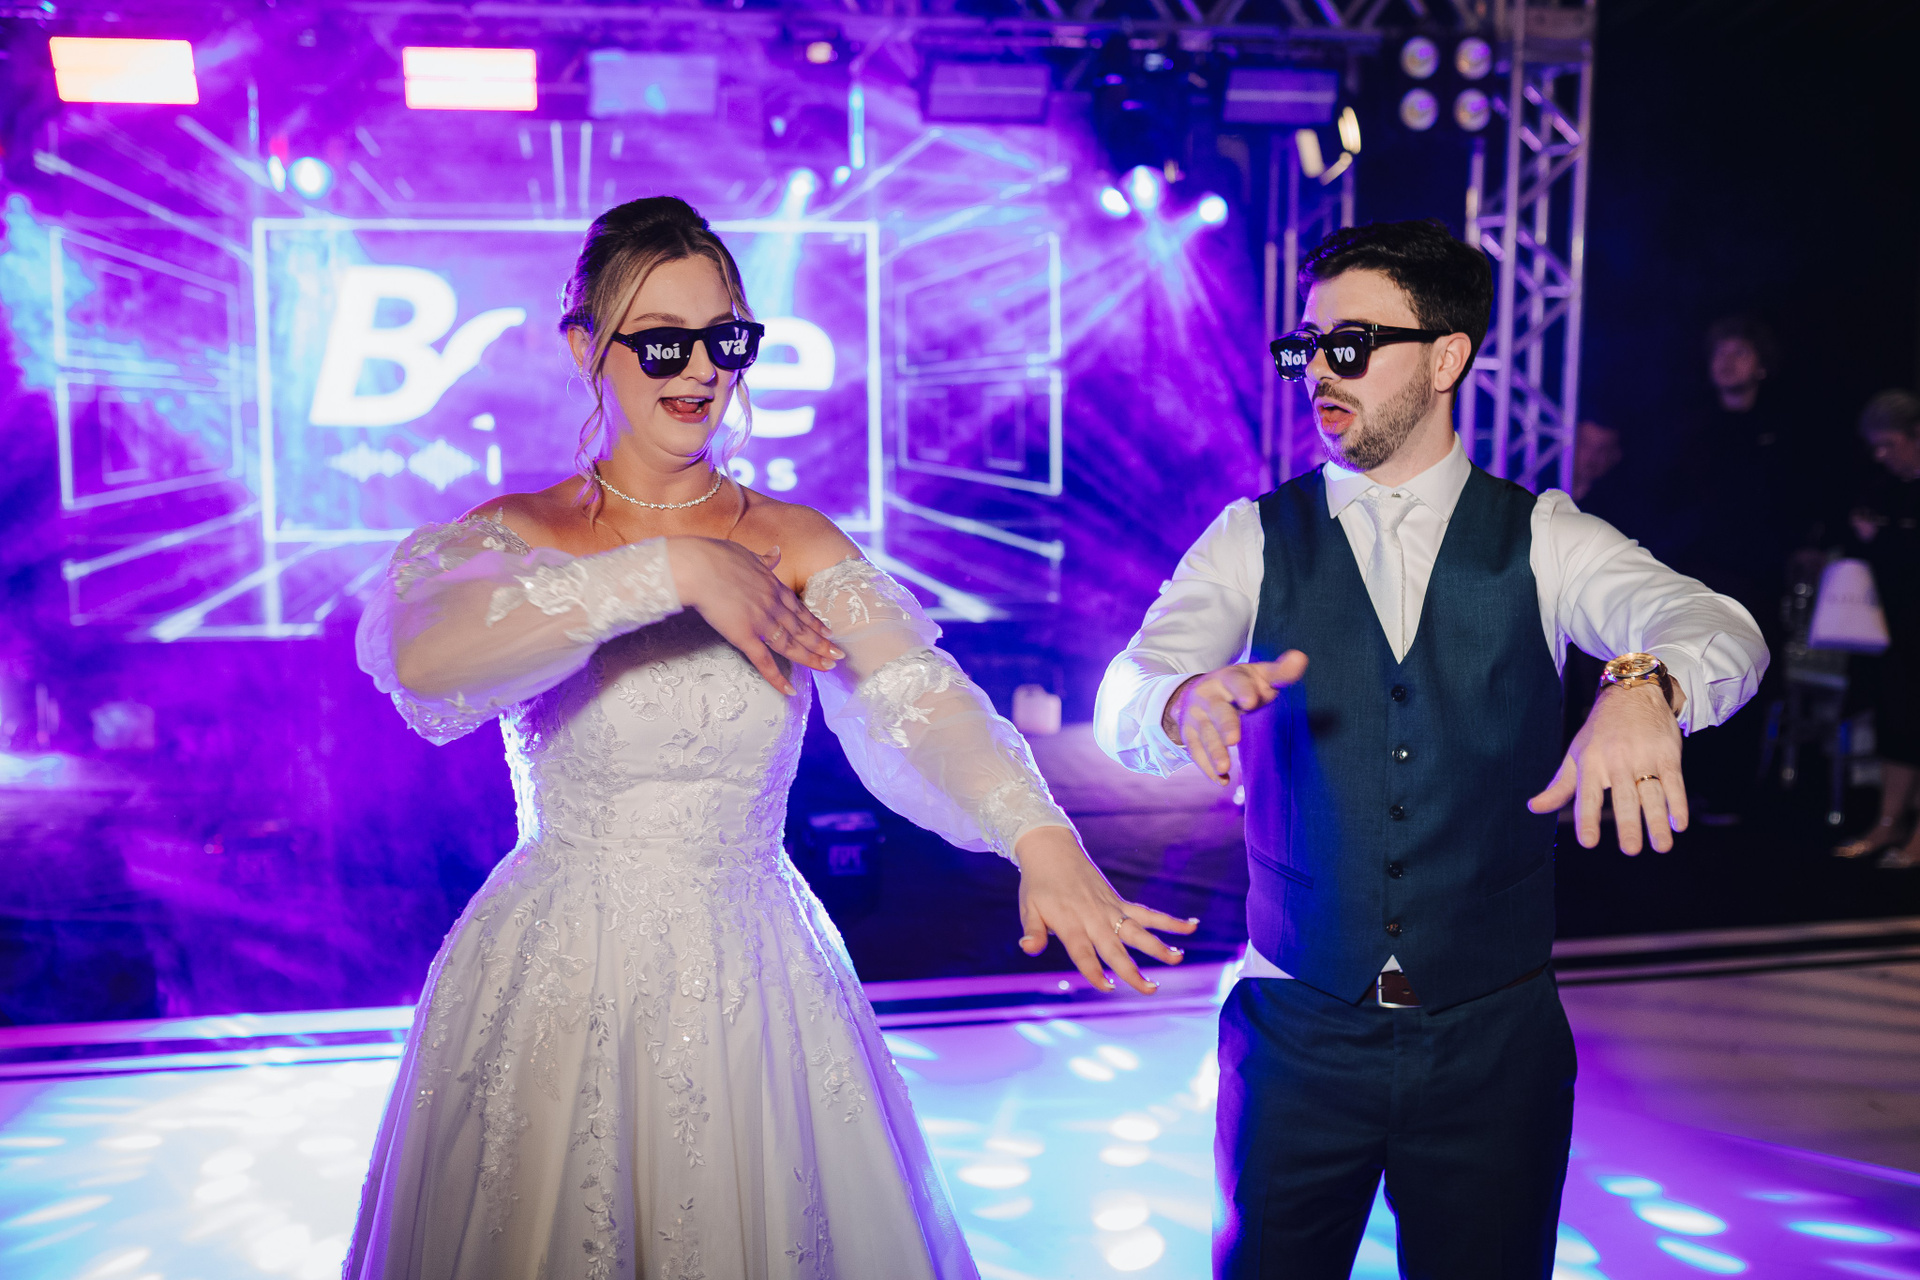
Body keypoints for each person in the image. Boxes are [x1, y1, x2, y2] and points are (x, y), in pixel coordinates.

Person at [346, 197, 1197, 1280]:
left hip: (753, 966)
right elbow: (425, 657)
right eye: (663, 341)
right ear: (584, 347)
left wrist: (1041, 837)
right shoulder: (521, 534)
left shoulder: (795, 542)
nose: (701, 369)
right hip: (559, 963)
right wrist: (670, 568)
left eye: (726, 339)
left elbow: (918, 701)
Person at [1094, 218, 1767, 1280]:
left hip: (1495, 1041)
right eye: (1308, 346)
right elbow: (1126, 683)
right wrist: (1179, 698)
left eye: (1351, 344)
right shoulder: (1252, 536)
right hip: (1295, 1028)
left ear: (1447, 356)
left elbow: (1721, 626)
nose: (1320, 370)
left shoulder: (1544, 534)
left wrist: (1647, 684)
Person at [1834, 390, 1920, 869]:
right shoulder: (1885, 487)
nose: (1881, 455)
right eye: (1876, 446)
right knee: (1896, 722)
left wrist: (1882, 538)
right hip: (1894, 629)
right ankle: (1888, 821)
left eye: (1889, 443)